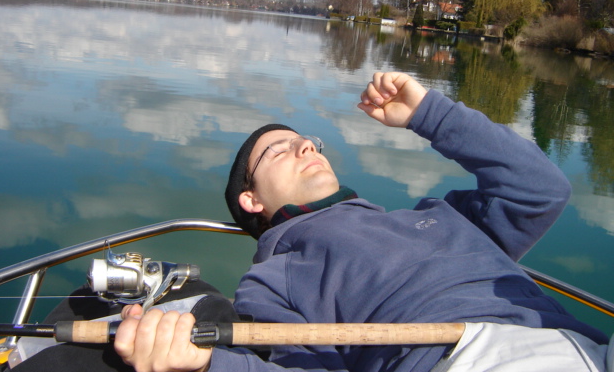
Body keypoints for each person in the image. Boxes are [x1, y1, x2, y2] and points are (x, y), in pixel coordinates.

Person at [114, 72, 612, 372]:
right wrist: (206, 361)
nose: (306, 145)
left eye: (307, 141)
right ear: (250, 200)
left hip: (586, 346)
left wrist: (430, 114)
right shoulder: (272, 280)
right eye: (277, 150)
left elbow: (541, 189)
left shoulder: (439, 215)